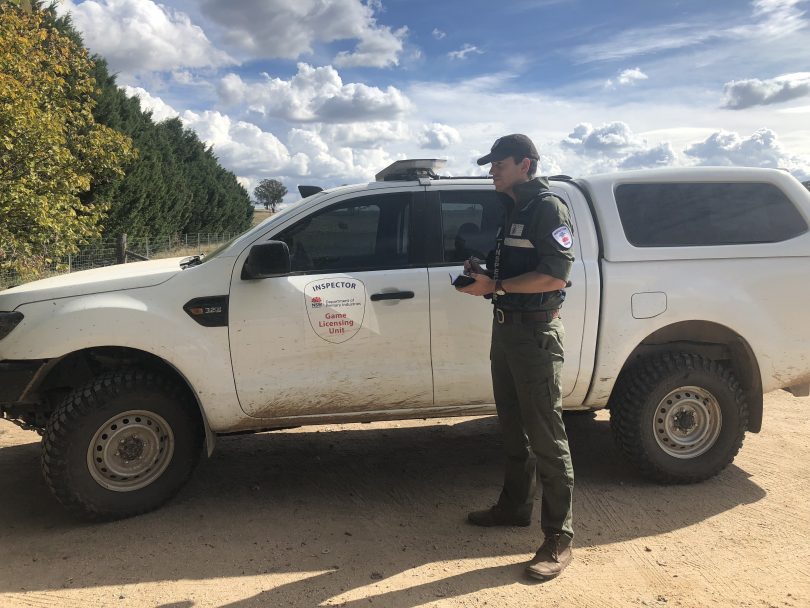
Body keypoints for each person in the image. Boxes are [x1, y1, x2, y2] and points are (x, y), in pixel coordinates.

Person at [457, 134, 576, 581]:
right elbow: (518, 270)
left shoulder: (548, 207)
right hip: (507, 329)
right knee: (512, 427)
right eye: (490, 164)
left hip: (535, 334)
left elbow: (554, 275)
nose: (492, 171)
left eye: (499, 164)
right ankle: (513, 507)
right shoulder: (513, 209)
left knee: (547, 434)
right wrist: (485, 276)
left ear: (525, 164)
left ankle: (559, 539)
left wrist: (497, 287)